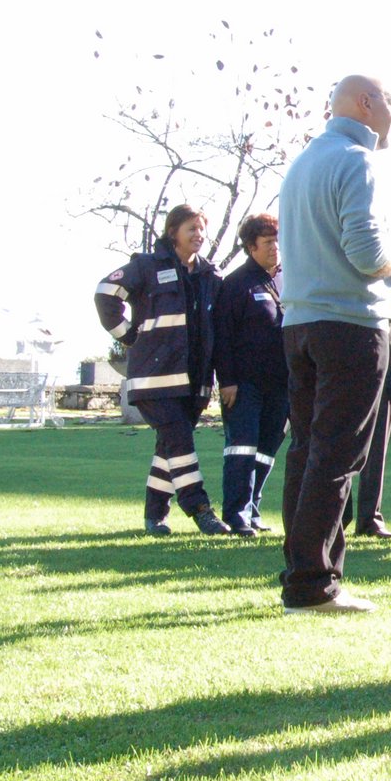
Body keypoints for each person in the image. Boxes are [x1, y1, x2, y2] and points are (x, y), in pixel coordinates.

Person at [277, 74, 391, 614]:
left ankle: (304, 572)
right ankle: (313, 585)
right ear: (366, 103)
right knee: (336, 454)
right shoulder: (359, 162)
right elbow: (366, 254)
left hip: (301, 325)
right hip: (350, 325)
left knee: (307, 451)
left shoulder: (303, 163)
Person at [94, 204, 229, 536]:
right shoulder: (148, 266)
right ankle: (200, 509)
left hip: (194, 383)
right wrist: (127, 335)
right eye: (191, 229)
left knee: (168, 447)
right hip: (154, 379)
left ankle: (155, 516)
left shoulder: (210, 275)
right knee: (180, 442)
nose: (198, 235)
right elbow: (105, 293)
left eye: (201, 229)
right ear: (173, 233)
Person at [213, 213, 287, 536]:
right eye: (268, 242)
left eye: (277, 241)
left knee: (267, 448)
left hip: (279, 385)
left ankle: (254, 508)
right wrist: (226, 380)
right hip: (244, 385)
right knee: (241, 447)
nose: (275, 248)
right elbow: (223, 337)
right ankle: (236, 514)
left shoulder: (281, 280)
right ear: (251, 246)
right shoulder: (236, 284)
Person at [340, 277, 391, 539]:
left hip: (388, 368)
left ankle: (370, 518)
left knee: (377, 451)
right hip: (349, 366)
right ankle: (338, 514)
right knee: (343, 448)